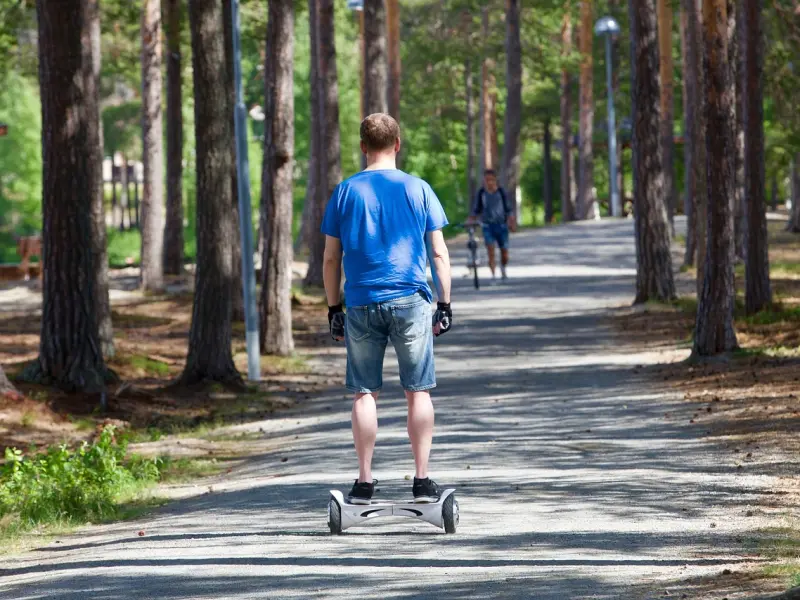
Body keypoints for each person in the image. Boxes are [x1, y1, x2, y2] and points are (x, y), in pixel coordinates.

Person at [322, 113, 453, 506]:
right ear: (398, 144)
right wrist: (444, 303)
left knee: (364, 393)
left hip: (361, 302)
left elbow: (331, 259)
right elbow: (440, 253)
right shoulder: (419, 189)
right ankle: (422, 479)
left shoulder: (344, 192)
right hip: (411, 301)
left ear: (363, 146)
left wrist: (333, 308)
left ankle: (364, 482)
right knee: (418, 391)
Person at [468, 169, 516, 281]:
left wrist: (512, 222)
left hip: (502, 226)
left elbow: (508, 209)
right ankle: (493, 275)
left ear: (495, 180)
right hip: (487, 227)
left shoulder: (501, 192)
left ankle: (503, 268)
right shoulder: (481, 193)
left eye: (491, 180)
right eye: (487, 180)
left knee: (504, 252)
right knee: (490, 250)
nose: (489, 182)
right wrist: (470, 220)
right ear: (484, 181)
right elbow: (476, 210)